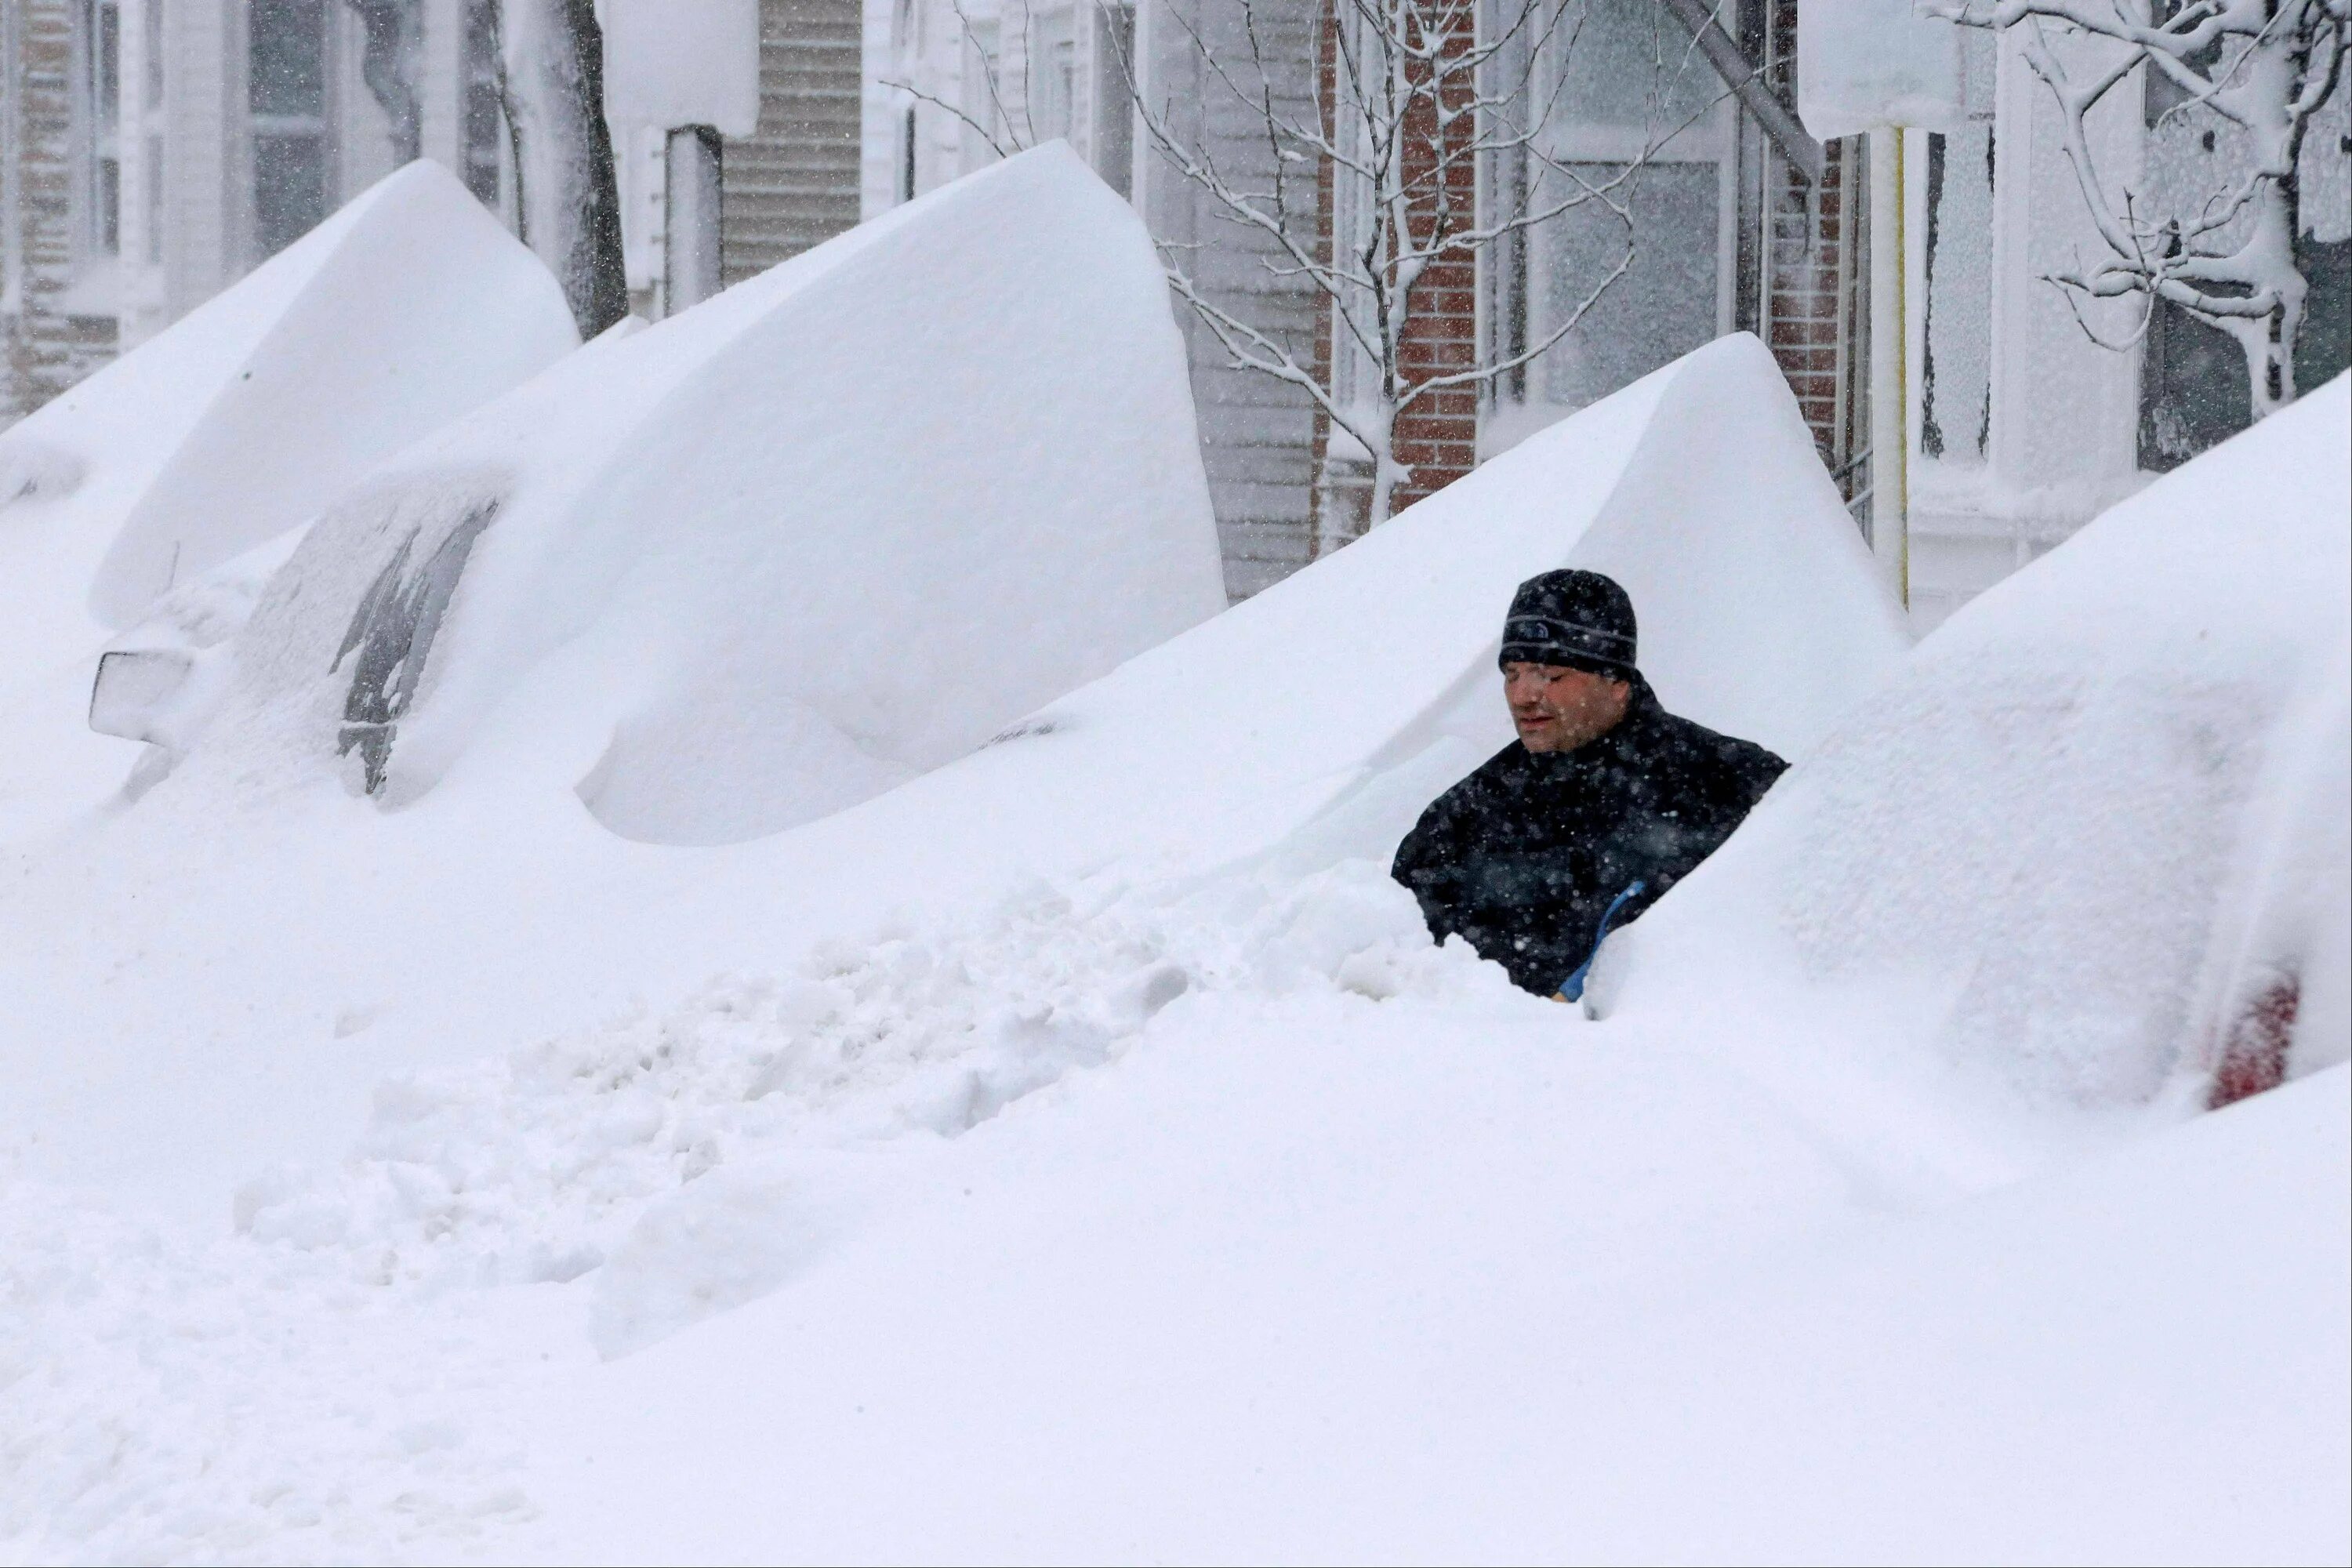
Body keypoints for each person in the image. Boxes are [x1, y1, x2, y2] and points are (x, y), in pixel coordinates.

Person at [1391, 569, 1786, 998]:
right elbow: (1391, 965)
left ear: (1616, 684)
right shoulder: (1465, 817)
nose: (1522, 695)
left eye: (1549, 675)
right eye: (1512, 673)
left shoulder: (1733, 783)